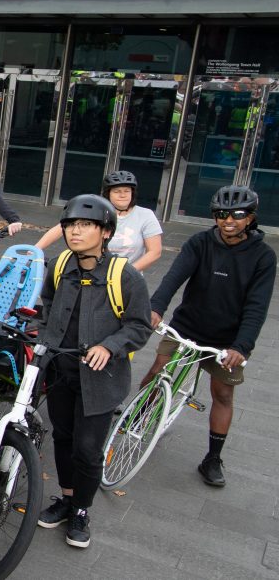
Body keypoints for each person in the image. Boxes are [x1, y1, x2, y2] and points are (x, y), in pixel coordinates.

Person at [36, 195, 152, 549]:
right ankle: (67, 497)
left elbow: (139, 327)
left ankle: (82, 510)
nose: (75, 232)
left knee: (87, 450)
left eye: (85, 225)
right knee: (63, 438)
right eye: (70, 225)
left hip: (100, 380)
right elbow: (48, 305)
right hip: (60, 370)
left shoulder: (126, 276)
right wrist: (44, 340)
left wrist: (109, 346)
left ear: (105, 232)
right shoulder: (58, 266)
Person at [145, 185, 275, 488]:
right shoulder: (199, 243)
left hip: (227, 341)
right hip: (186, 326)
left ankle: (212, 458)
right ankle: (139, 414)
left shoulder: (263, 257)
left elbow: (257, 306)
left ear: (251, 217)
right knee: (156, 371)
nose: (228, 220)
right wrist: (156, 307)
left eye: (238, 214)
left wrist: (241, 346)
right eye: (221, 214)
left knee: (223, 394)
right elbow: (173, 277)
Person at [35, 171, 163, 271]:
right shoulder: (96, 209)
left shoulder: (145, 215)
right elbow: (60, 228)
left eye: (126, 191)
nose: (122, 195)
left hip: (125, 277)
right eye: (117, 191)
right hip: (91, 272)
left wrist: (127, 272)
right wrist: (35, 249)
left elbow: (154, 252)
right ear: (108, 194)